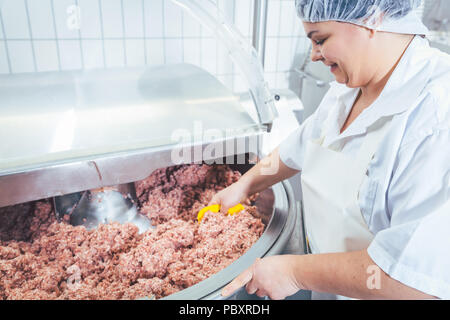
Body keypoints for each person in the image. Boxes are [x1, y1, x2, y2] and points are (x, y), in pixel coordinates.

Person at [210, 0, 450, 299]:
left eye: (320, 40)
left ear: (373, 18)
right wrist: (245, 185)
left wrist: (294, 273)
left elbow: (412, 280)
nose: (314, 55)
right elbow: (299, 146)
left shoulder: (436, 118)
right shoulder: (350, 85)